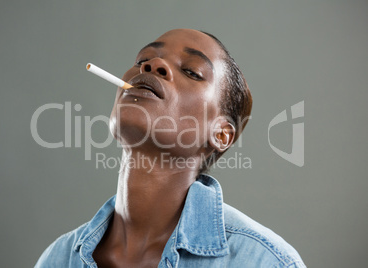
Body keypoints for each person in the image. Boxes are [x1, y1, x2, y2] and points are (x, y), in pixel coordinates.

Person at [35, 29, 306, 268]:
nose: (153, 65)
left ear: (222, 134)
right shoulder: (57, 260)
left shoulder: (267, 262)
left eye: (191, 71)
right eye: (143, 61)